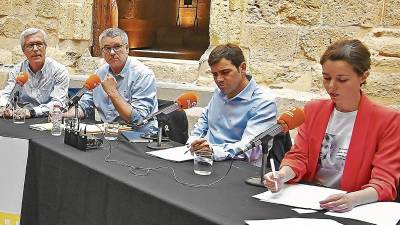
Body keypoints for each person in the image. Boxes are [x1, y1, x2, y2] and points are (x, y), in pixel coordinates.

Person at [263, 39, 400, 212]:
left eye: (342, 80)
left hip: (354, 207)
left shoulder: (388, 120)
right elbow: (299, 157)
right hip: (308, 200)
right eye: (326, 78)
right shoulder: (314, 110)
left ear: (363, 76)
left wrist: (352, 199)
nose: (331, 86)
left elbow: (384, 182)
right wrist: (282, 175)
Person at [188, 44, 277, 166]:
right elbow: (203, 123)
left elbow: (251, 148)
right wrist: (193, 142)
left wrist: (213, 151)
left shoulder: (263, 102)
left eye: (225, 72)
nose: (219, 79)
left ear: (243, 68)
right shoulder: (219, 93)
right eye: (214, 74)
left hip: (238, 168)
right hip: (206, 160)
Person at [63, 28, 158, 132]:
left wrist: (112, 92)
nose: (112, 52)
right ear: (102, 52)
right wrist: (66, 116)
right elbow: (86, 105)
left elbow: (138, 119)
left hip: (139, 137)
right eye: (107, 48)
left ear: (127, 48)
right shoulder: (100, 73)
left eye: (117, 47)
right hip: (109, 133)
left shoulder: (143, 75)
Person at [0, 28, 70, 118]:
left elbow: (58, 103)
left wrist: (32, 112)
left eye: (39, 44)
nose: (35, 49)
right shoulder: (17, 71)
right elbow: (7, 94)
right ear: (23, 51)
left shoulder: (59, 70)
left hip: (48, 118)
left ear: (45, 47)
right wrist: (4, 107)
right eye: (30, 45)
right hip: (22, 117)